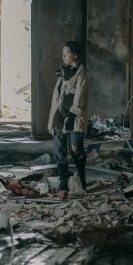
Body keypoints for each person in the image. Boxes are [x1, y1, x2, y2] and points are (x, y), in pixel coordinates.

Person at [47, 41, 89, 200]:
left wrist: (71, 117)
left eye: (67, 54)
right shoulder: (64, 72)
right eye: (63, 54)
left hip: (74, 117)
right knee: (59, 148)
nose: (64, 57)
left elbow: (79, 97)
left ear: (75, 55)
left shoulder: (81, 74)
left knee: (75, 148)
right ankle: (63, 180)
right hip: (60, 117)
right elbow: (58, 97)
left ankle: (81, 177)